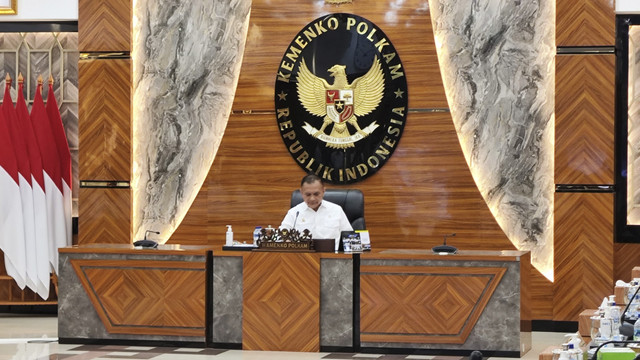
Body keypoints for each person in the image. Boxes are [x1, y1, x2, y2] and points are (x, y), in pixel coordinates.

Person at [280, 173, 353, 250]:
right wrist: (286, 241)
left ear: (323, 191)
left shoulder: (336, 210)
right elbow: (281, 236)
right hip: (302, 258)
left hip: (331, 259)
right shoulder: (294, 213)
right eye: (308, 194)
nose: (312, 199)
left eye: (316, 194)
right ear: (301, 192)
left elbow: (349, 238)